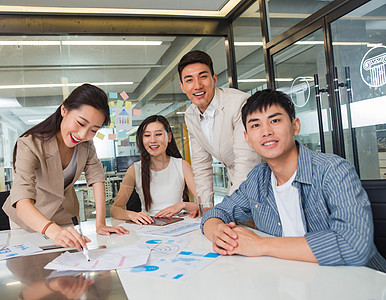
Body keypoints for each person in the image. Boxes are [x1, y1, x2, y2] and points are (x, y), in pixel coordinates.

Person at [201, 89, 386, 272]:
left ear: (295, 126)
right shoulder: (258, 178)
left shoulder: (333, 171)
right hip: (295, 279)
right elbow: (216, 213)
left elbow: (354, 245)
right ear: (247, 138)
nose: (266, 131)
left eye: (275, 120)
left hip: (361, 283)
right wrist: (218, 232)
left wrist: (261, 245)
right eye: (255, 125)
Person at [3, 84, 128, 251]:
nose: (83, 135)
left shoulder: (86, 145)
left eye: (93, 130)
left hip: (64, 218)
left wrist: (100, 223)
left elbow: (96, 177)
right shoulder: (30, 143)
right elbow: (22, 201)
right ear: (64, 110)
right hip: (30, 221)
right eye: (80, 123)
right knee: (34, 271)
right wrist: (52, 230)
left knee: (68, 270)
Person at [178, 50, 260, 203]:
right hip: (236, 182)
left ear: (214, 79)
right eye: (189, 80)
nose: (197, 86)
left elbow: (246, 160)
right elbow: (201, 164)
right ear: (182, 87)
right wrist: (206, 206)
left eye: (203, 77)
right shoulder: (190, 115)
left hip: (261, 182)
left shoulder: (239, 103)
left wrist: (231, 208)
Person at [110, 115, 199, 224]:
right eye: (147, 135)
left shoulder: (182, 165)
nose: (152, 140)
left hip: (179, 224)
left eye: (158, 134)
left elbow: (205, 203)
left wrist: (183, 205)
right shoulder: (135, 170)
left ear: (169, 137)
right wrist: (132, 214)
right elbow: (115, 210)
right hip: (148, 227)